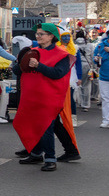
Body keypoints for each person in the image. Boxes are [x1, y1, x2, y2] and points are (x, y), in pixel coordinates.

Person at [13, 23, 74, 171]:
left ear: (51, 36)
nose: (38, 36)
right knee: (32, 125)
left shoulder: (62, 54)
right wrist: (20, 62)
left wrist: (38, 66)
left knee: (46, 126)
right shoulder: (33, 51)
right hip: (31, 97)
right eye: (37, 34)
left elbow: (58, 74)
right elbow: (17, 70)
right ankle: (36, 153)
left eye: (41, 34)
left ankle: (50, 158)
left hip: (50, 97)